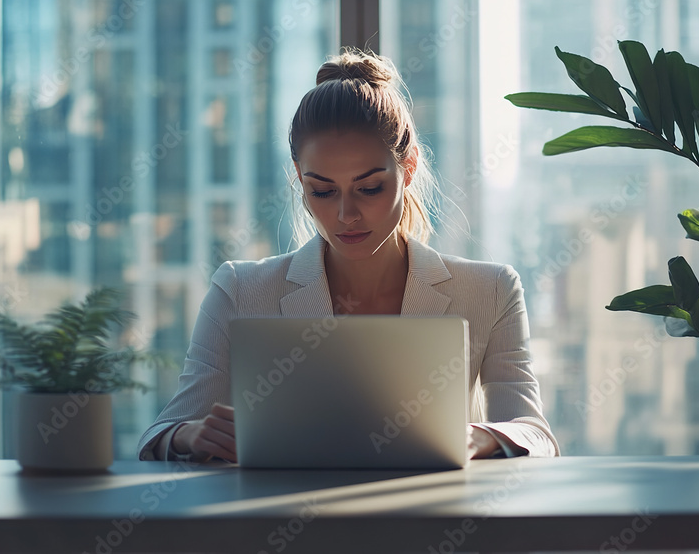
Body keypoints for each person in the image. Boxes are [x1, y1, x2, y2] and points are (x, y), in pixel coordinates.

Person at [137, 50, 559, 462]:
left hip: (434, 521)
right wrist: (193, 436)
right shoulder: (239, 290)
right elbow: (160, 434)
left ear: (408, 168)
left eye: (370, 187)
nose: (346, 215)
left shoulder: (490, 290)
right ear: (298, 179)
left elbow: (535, 433)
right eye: (321, 191)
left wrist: (476, 437)